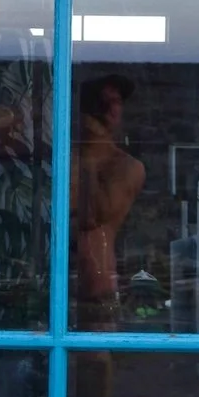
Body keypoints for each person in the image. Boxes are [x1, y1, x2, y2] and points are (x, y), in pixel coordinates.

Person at [73, 73, 146, 327]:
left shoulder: (126, 167)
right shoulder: (64, 158)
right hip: (51, 281)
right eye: (98, 103)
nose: (106, 110)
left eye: (114, 101)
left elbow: (92, 216)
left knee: (96, 363)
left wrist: (91, 158)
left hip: (96, 287)